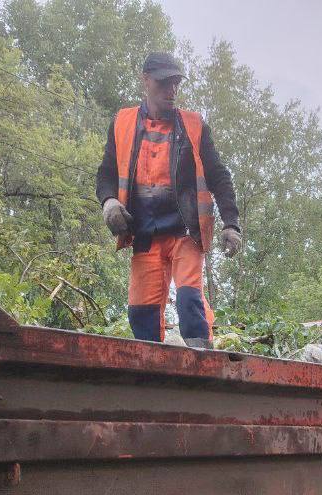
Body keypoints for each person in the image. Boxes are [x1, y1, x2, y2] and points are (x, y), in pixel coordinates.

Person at [96, 52, 241, 348]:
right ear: (145, 80)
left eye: (176, 83)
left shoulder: (194, 126)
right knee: (141, 313)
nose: (172, 90)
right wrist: (108, 201)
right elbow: (106, 172)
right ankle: (152, 376)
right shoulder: (122, 123)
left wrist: (231, 223)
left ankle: (203, 368)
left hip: (185, 232)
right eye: (164, 83)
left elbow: (219, 176)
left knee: (189, 301)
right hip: (145, 233)